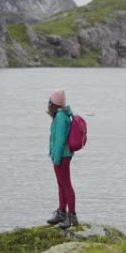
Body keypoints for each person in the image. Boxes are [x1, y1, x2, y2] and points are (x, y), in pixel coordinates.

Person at [46, 89, 78, 229]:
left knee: (66, 185)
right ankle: (61, 213)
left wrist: (56, 158)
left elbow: (59, 141)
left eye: (50, 102)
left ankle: (71, 216)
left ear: (55, 104)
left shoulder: (60, 118)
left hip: (62, 156)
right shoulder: (63, 115)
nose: (48, 104)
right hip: (63, 155)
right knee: (62, 184)